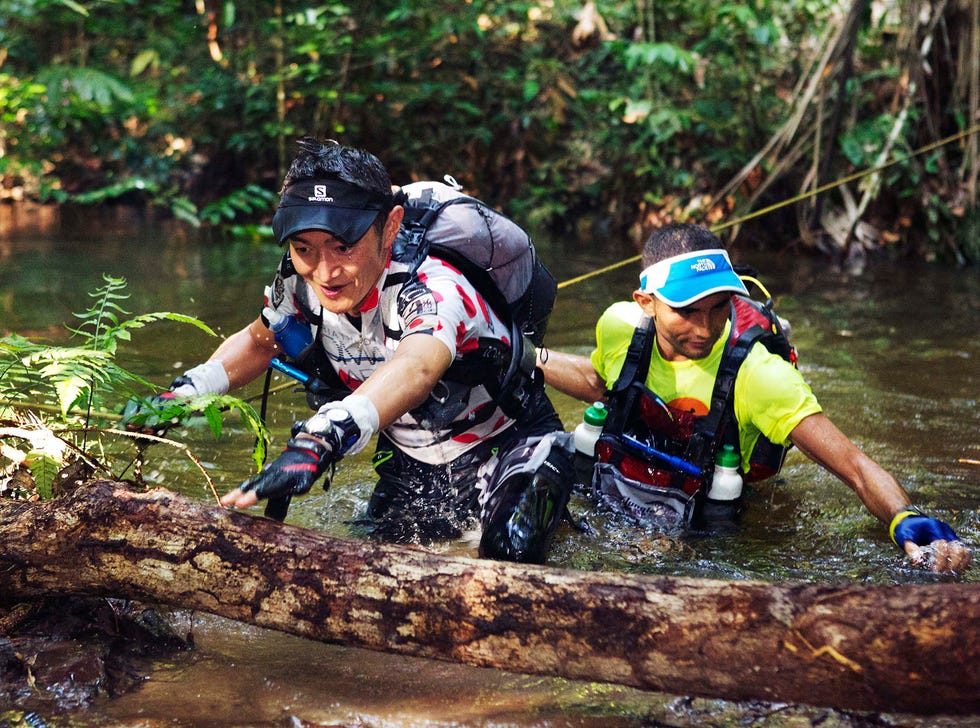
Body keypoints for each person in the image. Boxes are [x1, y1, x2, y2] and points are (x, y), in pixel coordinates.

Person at [137, 138, 574, 565]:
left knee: (511, 554)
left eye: (343, 246)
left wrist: (322, 437)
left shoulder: (433, 287)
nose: (324, 272)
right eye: (304, 248)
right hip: (413, 463)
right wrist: (186, 392)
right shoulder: (298, 285)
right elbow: (258, 341)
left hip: (511, 445)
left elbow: (417, 366)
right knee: (372, 566)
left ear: (391, 226)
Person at [536, 223, 972, 575]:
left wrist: (907, 520)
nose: (705, 328)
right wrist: (524, 355)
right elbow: (601, 380)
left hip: (719, 521)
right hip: (632, 490)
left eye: (719, 307)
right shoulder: (619, 328)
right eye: (687, 311)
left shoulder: (760, 376)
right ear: (646, 302)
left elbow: (854, 466)